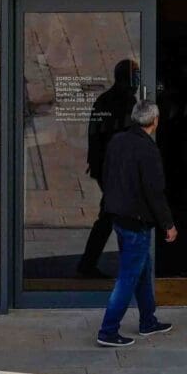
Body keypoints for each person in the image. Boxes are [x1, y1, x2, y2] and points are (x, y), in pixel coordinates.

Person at [94, 101, 176, 348]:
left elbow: (106, 173)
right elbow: (155, 192)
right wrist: (168, 224)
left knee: (141, 270)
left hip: (118, 217)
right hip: (137, 222)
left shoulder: (117, 141)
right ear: (155, 121)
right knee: (128, 276)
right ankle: (108, 330)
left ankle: (148, 320)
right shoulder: (148, 150)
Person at [74, 59, 142, 280]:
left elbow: (94, 134)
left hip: (105, 168)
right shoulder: (126, 102)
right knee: (115, 215)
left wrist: (95, 163)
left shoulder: (105, 100)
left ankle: (90, 263)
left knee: (112, 214)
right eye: (135, 77)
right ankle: (94, 264)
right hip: (116, 170)